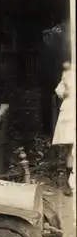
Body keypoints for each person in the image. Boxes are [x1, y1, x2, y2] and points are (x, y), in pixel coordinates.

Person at [52, 61, 75, 196]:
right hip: (70, 111)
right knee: (71, 147)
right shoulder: (68, 74)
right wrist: (66, 90)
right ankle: (68, 181)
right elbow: (59, 90)